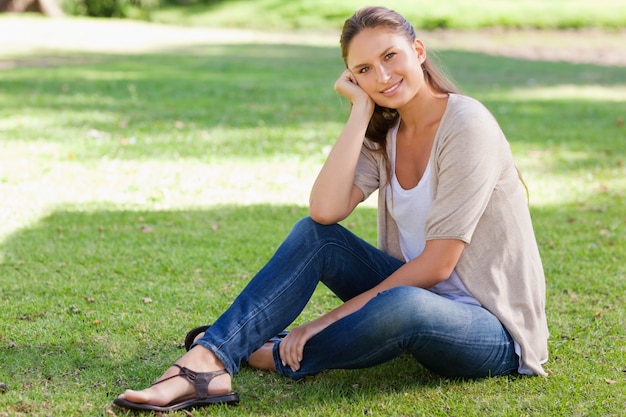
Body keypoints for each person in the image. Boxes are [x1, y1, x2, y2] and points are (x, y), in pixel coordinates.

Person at [114, 6, 549, 412]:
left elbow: (437, 265)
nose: (382, 76)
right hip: (413, 296)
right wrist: (360, 111)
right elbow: (324, 211)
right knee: (314, 236)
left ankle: (272, 354)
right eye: (364, 70)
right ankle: (209, 362)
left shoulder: (466, 125)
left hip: (490, 330)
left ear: (418, 51)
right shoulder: (389, 132)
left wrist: (321, 322)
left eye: (390, 57)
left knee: (404, 305)